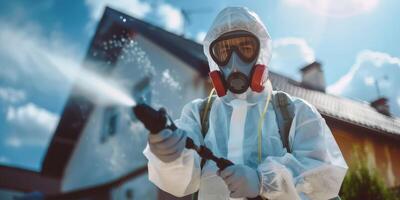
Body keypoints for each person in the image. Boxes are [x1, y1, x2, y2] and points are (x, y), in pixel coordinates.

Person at [143, 6, 348, 200]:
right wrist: (168, 155)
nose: (234, 61)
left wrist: (263, 181)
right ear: (214, 60)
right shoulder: (198, 115)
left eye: (245, 48)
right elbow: (180, 181)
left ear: (261, 53)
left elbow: (323, 174)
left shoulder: (295, 112)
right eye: (224, 51)